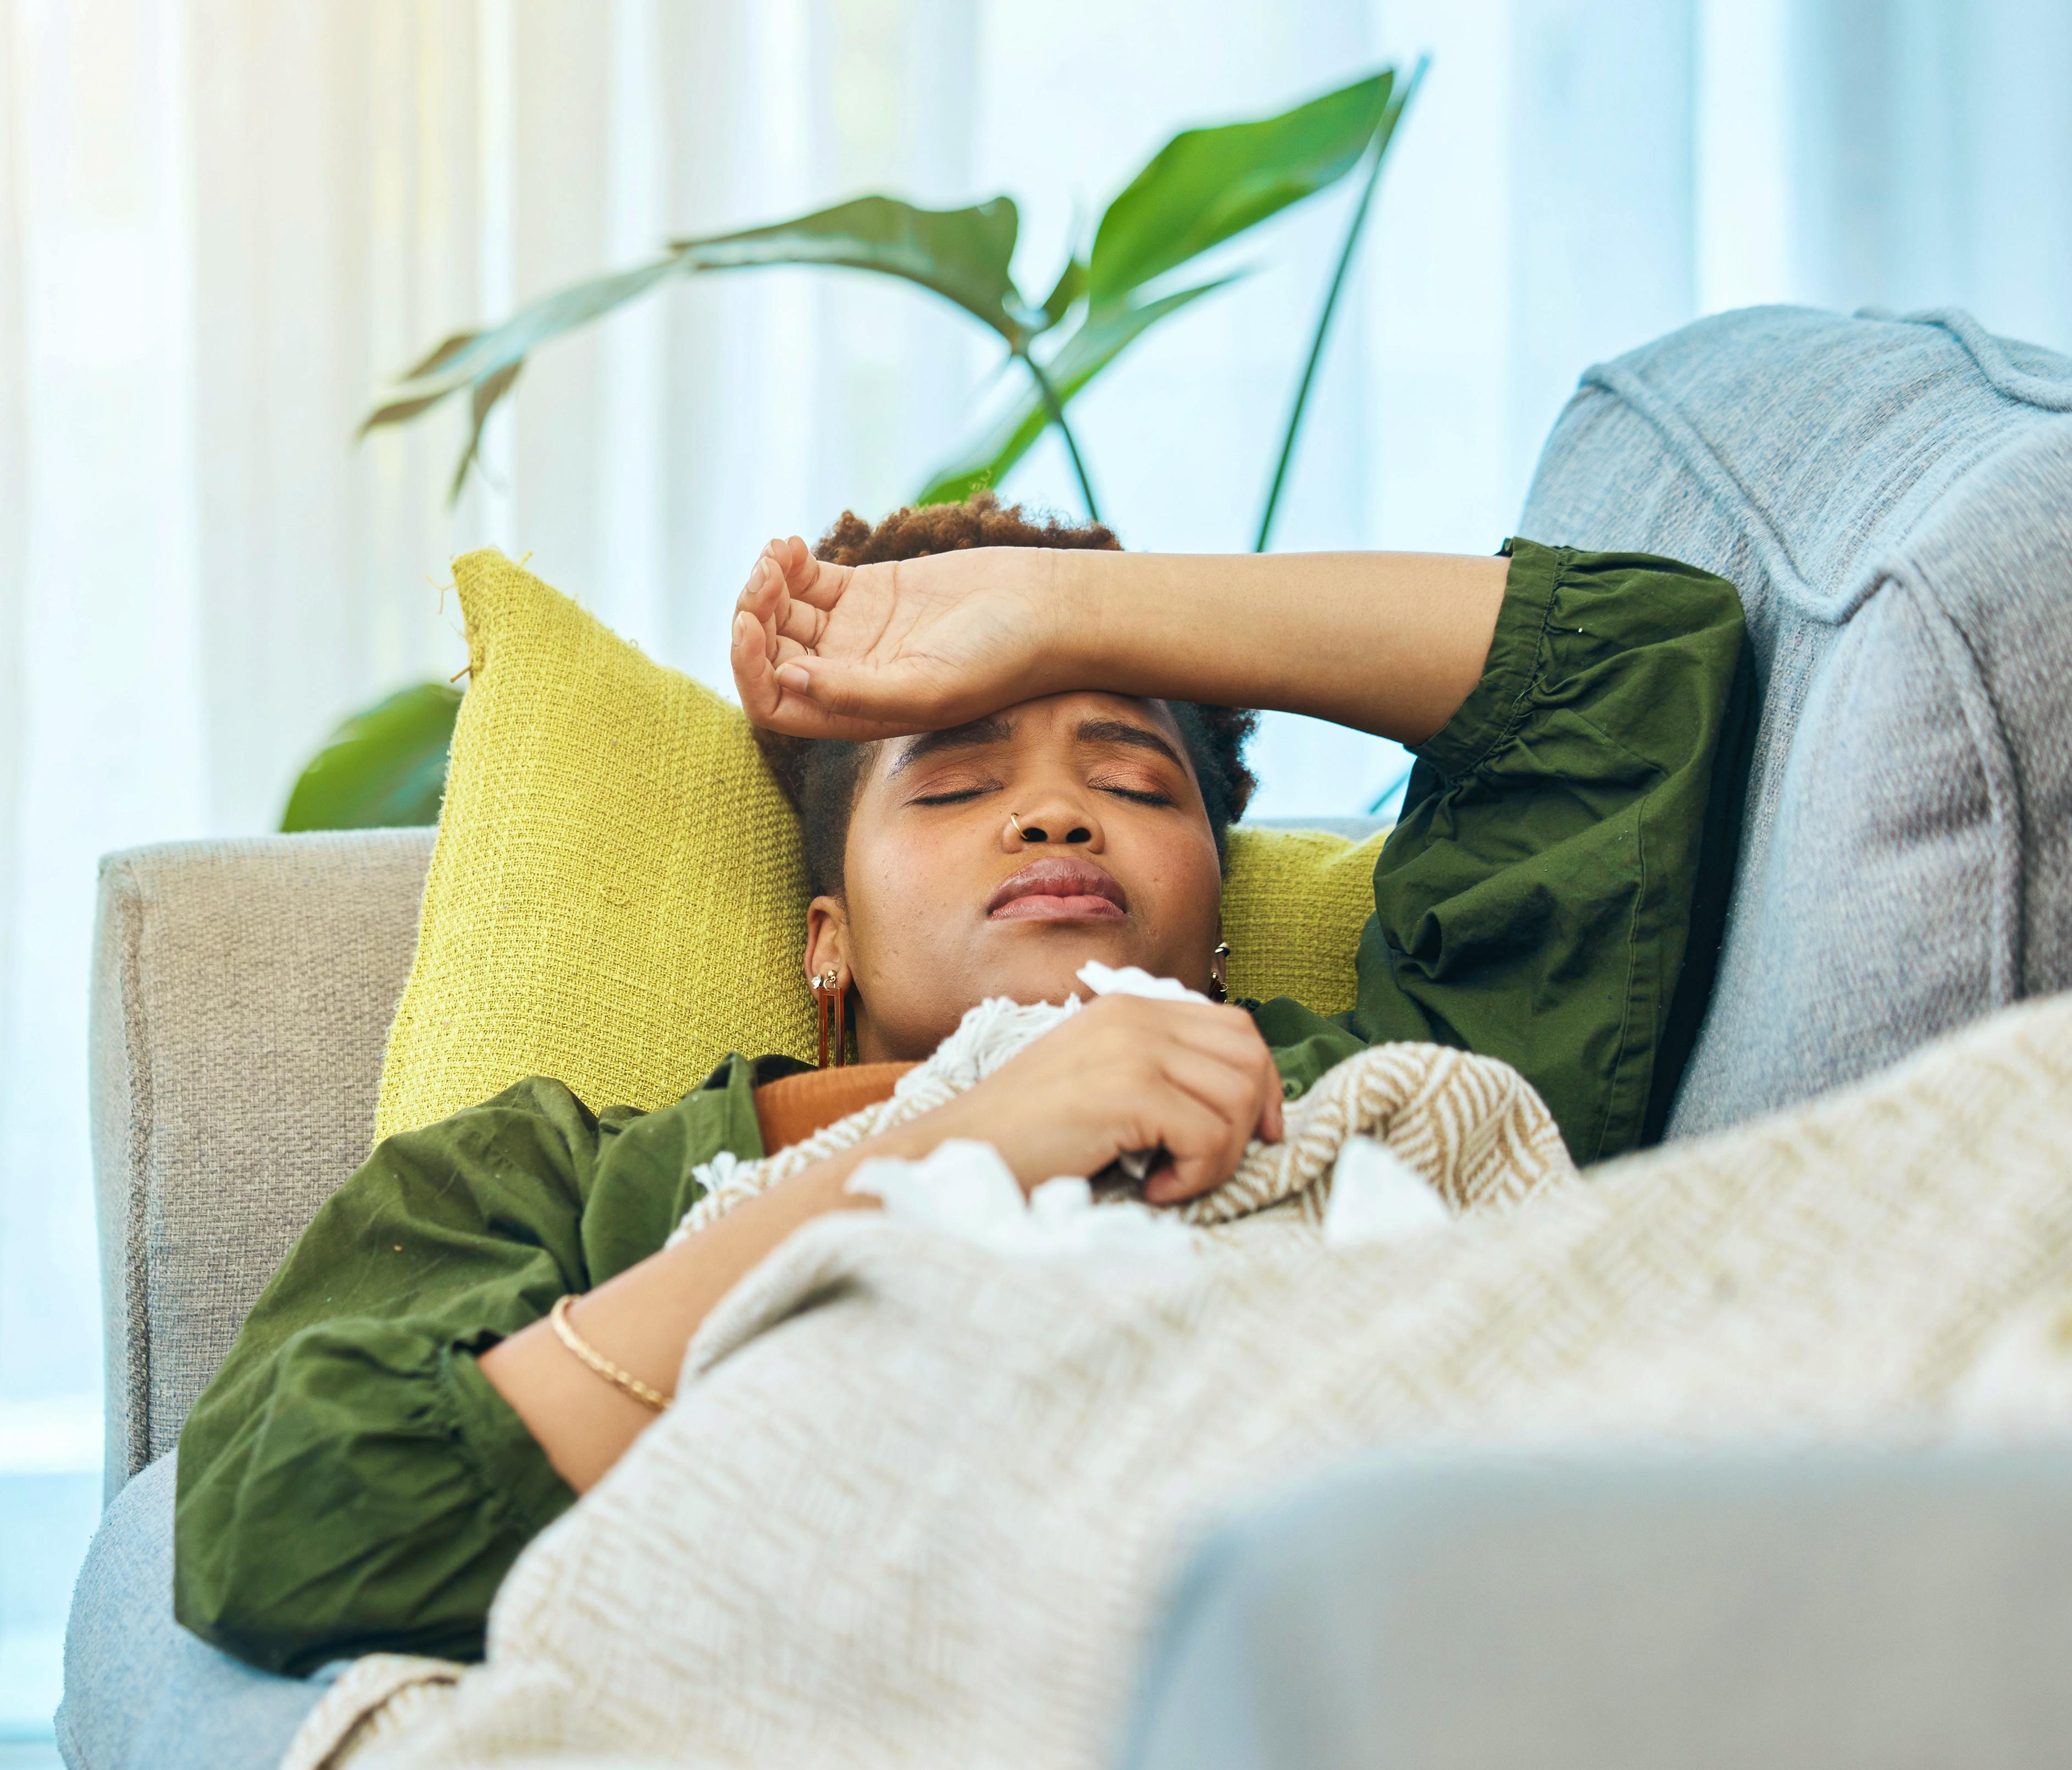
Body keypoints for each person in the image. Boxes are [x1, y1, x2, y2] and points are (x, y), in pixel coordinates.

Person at [174, 498, 1753, 1675]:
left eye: (1133, 780)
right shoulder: (556, 1182)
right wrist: (955, 1149)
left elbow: (1632, 667)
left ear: (1216, 908)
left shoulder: (1368, 1085)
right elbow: (286, 1521)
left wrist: (1060, 611)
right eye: (959, 781)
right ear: (827, 938)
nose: (1058, 817)